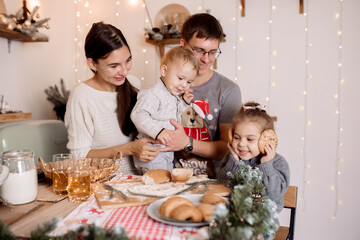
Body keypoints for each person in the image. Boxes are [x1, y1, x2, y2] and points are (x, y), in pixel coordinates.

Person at [65, 22, 161, 174]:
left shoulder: (134, 83)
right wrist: (129, 149)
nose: (124, 71)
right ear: (92, 64)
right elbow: (79, 157)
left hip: (142, 178)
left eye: (128, 60)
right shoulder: (81, 97)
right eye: (114, 65)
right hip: (104, 183)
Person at [161, 13, 242, 177]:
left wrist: (186, 143)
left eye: (212, 52)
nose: (206, 59)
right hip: (170, 179)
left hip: (214, 181)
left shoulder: (228, 90)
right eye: (199, 51)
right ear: (183, 44)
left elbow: (227, 147)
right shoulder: (164, 85)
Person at [130, 46, 199, 173]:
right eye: (180, 78)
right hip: (151, 150)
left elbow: (172, 117)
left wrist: (183, 103)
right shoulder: (152, 95)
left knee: (166, 182)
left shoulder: (171, 95)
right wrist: (158, 131)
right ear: (164, 70)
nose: (184, 85)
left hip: (166, 150)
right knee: (158, 183)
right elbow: (138, 115)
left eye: (189, 82)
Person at [217, 101, 290, 213]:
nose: (241, 143)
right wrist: (234, 161)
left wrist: (266, 165)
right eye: (237, 137)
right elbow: (221, 185)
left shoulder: (278, 163)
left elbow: (274, 195)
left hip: (262, 223)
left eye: (250, 139)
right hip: (233, 216)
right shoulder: (232, 158)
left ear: (266, 140)